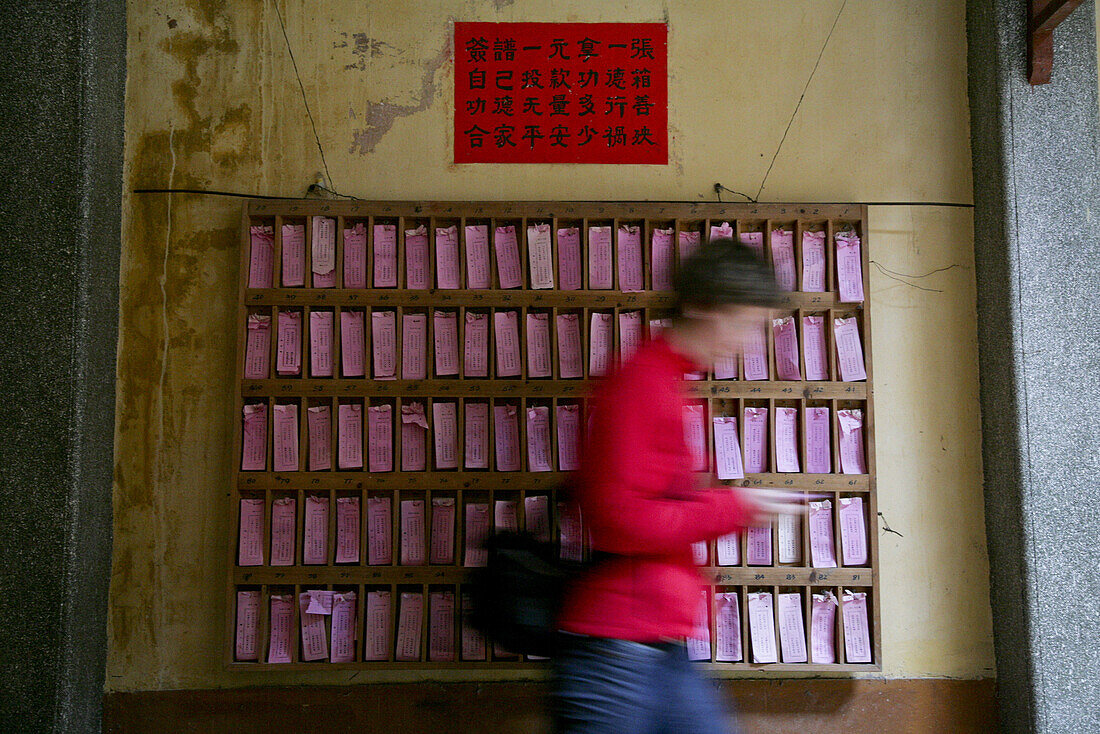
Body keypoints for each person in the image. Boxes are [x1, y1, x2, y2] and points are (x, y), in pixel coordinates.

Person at [550, 238, 805, 734]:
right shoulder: (641, 383)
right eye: (743, 322)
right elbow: (618, 518)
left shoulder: (670, 380)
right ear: (697, 305)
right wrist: (733, 506)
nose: (748, 342)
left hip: (655, 640)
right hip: (616, 647)